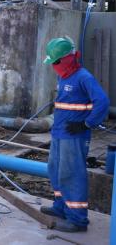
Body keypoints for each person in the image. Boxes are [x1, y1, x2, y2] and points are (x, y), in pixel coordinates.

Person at [41, 37, 110, 233]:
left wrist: (86, 123)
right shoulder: (63, 76)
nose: (53, 66)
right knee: (55, 170)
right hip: (59, 132)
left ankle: (77, 219)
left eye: (55, 61)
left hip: (74, 136)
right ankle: (61, 207)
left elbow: (103, 102)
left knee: (72, 175)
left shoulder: (83, 77)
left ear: (66, 59)